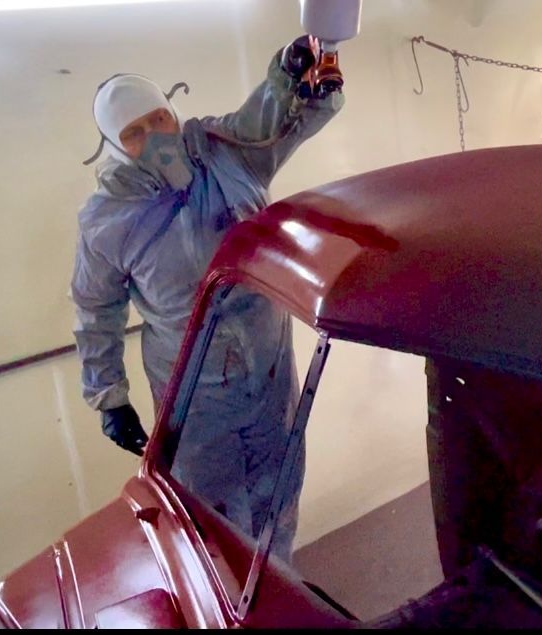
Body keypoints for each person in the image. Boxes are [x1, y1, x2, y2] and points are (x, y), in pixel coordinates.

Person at [71, 35, 343, 560]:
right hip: (192, 387)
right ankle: (232, 596)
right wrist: (109, 396)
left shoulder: (226, 154)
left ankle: (276, 584)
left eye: (159, 119)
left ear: (174, 113)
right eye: (134, 133)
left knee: (279, 487)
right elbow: (95, 308)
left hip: (267, 363)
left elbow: (264, 124)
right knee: (212, 513)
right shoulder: (107, 220)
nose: (155, 137)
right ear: (113, 146)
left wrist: (289, 77)